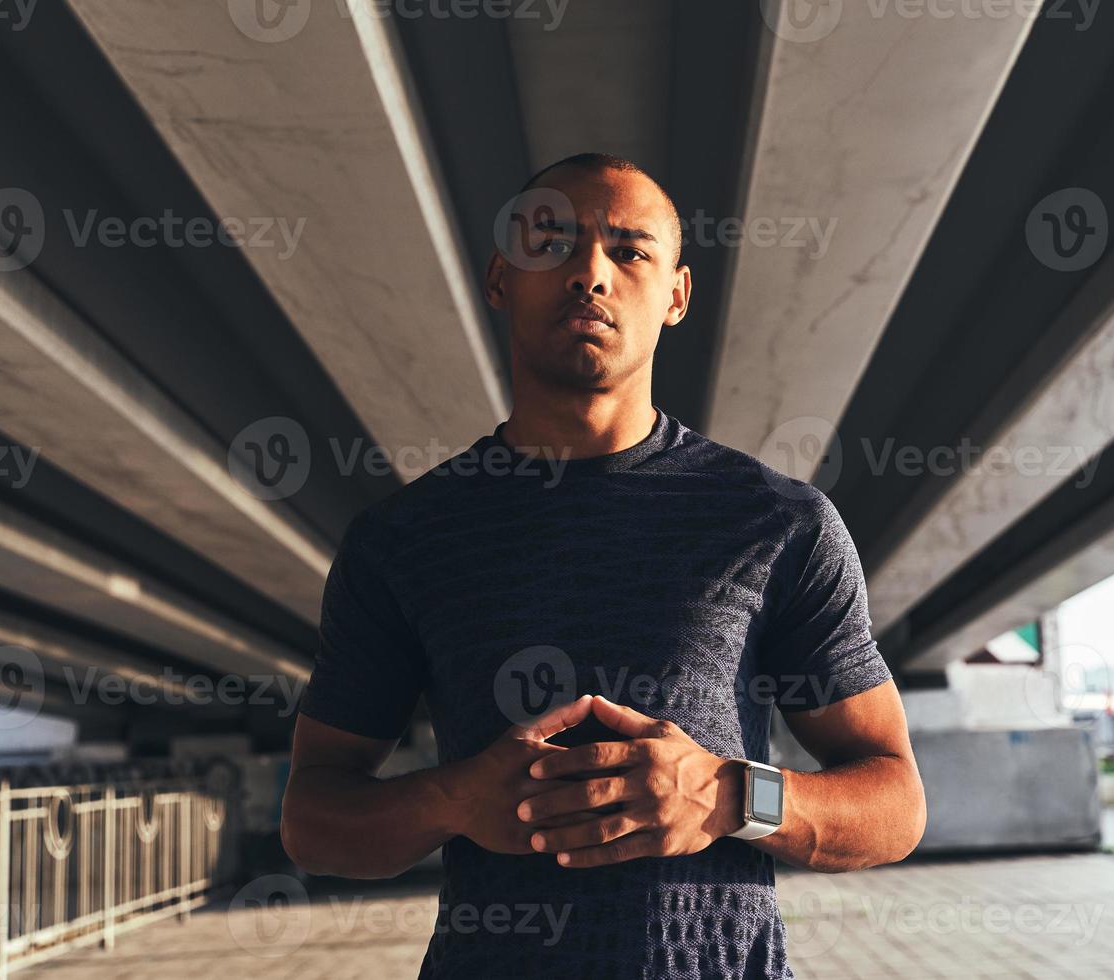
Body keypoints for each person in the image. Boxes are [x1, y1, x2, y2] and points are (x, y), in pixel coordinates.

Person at [280, 152, 926, 978]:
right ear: (500, 277)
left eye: (629, 250)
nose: (589, 272)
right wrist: (454, 799)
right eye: (552, 242)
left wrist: (729, 796)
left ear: (677, 296)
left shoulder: (776, 523)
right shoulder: (404, 538)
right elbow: (313, 818)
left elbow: (896, 804)